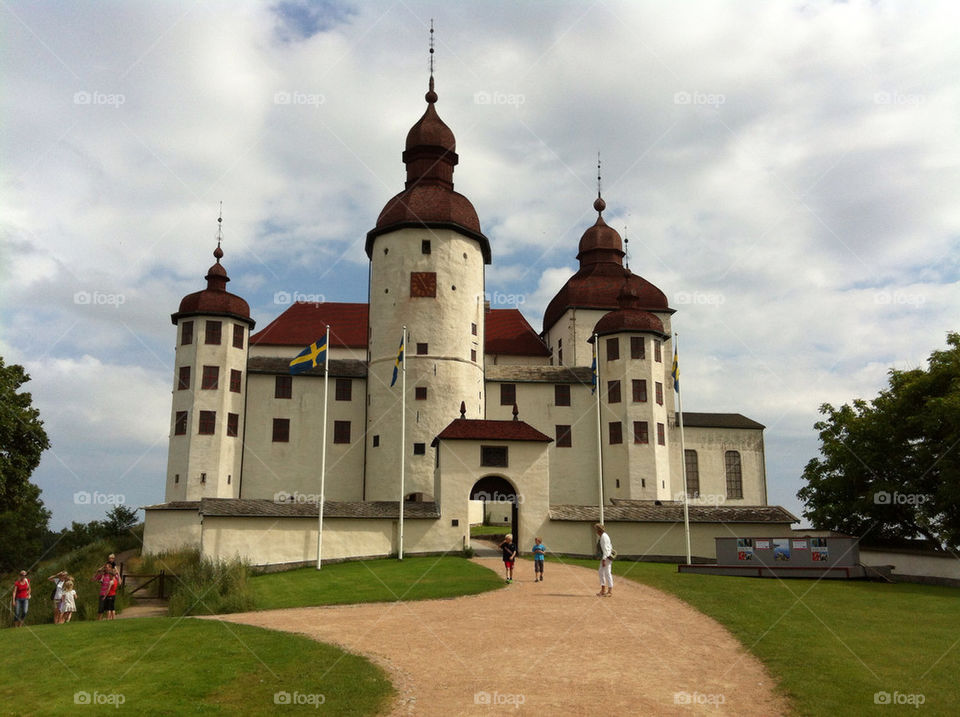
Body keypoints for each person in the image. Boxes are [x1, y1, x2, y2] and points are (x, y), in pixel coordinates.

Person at [595, 523, 614, 597]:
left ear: (599, 530)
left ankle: (609, 590)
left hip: (606, 557)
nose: (596, 531)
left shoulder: (604, 537)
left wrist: (603, 559)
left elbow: (606, 549)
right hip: (606, 556)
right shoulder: (604, 536)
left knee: (607, 573)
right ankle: (603, 590)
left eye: (596, 530)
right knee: (601, 572)